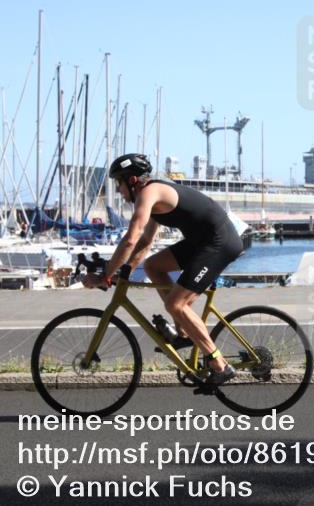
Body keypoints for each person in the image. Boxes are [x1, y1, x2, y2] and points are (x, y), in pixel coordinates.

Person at [82, 153, 243, 385]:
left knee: (175, 303)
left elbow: (130, 239)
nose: (118, 190)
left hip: (218, 243)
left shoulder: (149, 193)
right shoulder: (152, 197)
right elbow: (145, 243)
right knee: (154, 266)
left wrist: (105, 275)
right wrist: (123, 273)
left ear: (132, 179)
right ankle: (183, 334)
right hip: (203, 242)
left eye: (119, 183)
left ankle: (219, 365)